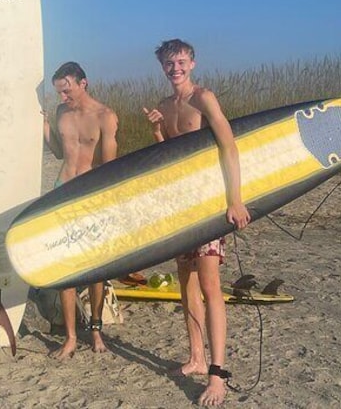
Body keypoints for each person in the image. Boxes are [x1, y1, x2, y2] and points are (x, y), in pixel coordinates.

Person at [143, 39, 250, 407]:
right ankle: (196, 357)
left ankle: (216, 375)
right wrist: (157, 132)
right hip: (181, 206)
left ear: (192, 62)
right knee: (185, 283)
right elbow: (169, 154)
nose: (175, 68)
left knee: (209, 285)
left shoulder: (204, 98)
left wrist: (234, 200)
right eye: (169, 63)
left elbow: (229, 147)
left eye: (181, 61)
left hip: (208, 204)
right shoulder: (163, 105)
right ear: (162, 66)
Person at [43, 62, 119, 359]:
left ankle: (96, 330)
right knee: (66, 266)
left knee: (94, 267)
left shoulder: (105, 116)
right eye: (59, 92)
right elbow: (60, 152)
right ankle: (72, 337)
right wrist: (45, 128)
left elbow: (108, 167)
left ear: (83, 83)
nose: (63, 97)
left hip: (89, 195)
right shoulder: (62, 112)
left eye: (67, 90)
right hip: (61, 189)